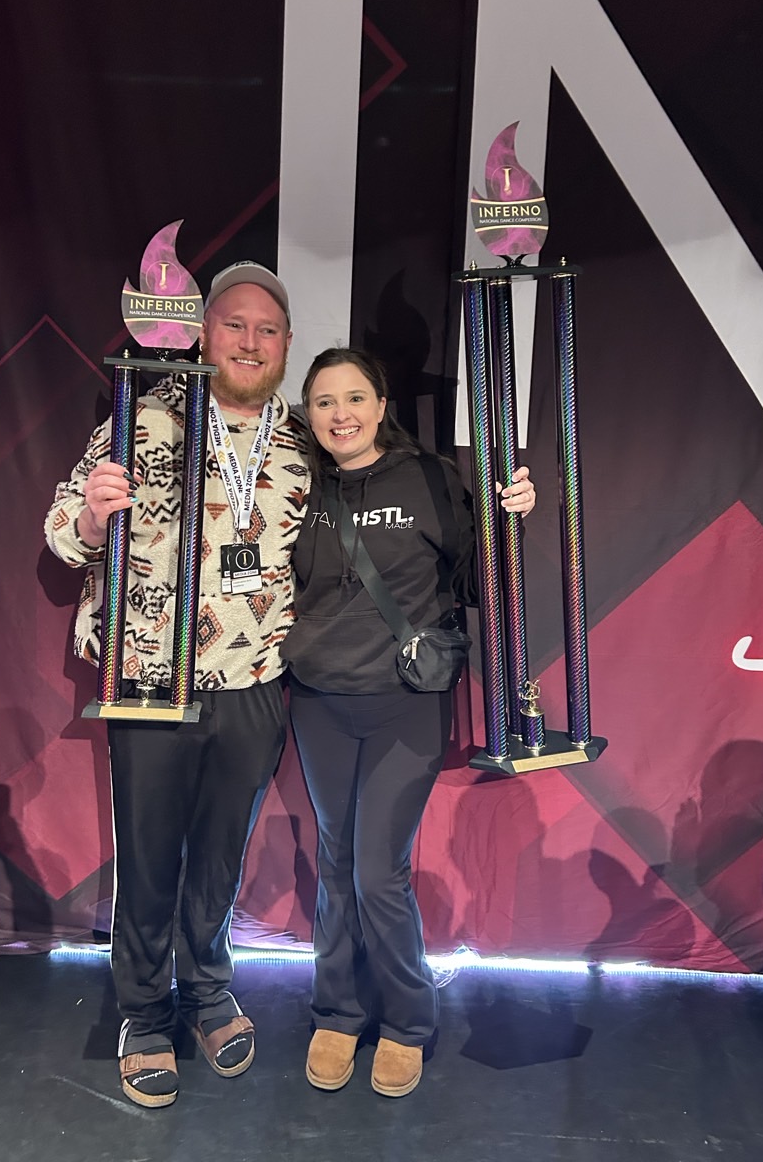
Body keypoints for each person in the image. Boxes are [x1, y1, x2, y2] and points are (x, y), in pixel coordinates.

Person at [44, 262, 309, 1109]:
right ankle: (145, 1014)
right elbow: (61, 534)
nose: (250, 341)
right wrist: (90, 517)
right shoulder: (142, 415)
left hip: (256, 680)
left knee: (219, 859)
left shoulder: (303, 441)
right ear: (201, 332)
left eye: (267, 330)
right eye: (234, 324)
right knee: (151, 859)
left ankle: (206, 989)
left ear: (286, 347)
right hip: (152, 679)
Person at [281, 346, 535, 1099]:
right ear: (308, 412)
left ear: (382, 402)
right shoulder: (299, 485)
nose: (341, 415)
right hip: (320, 702)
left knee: (375, 870)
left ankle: (407, 1023)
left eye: (355, 397)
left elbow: (480, 580)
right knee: (335, 862)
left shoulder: (427, 478)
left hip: (406, 703)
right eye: (324, 402)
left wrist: (509, 521)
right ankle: (338, 1012)